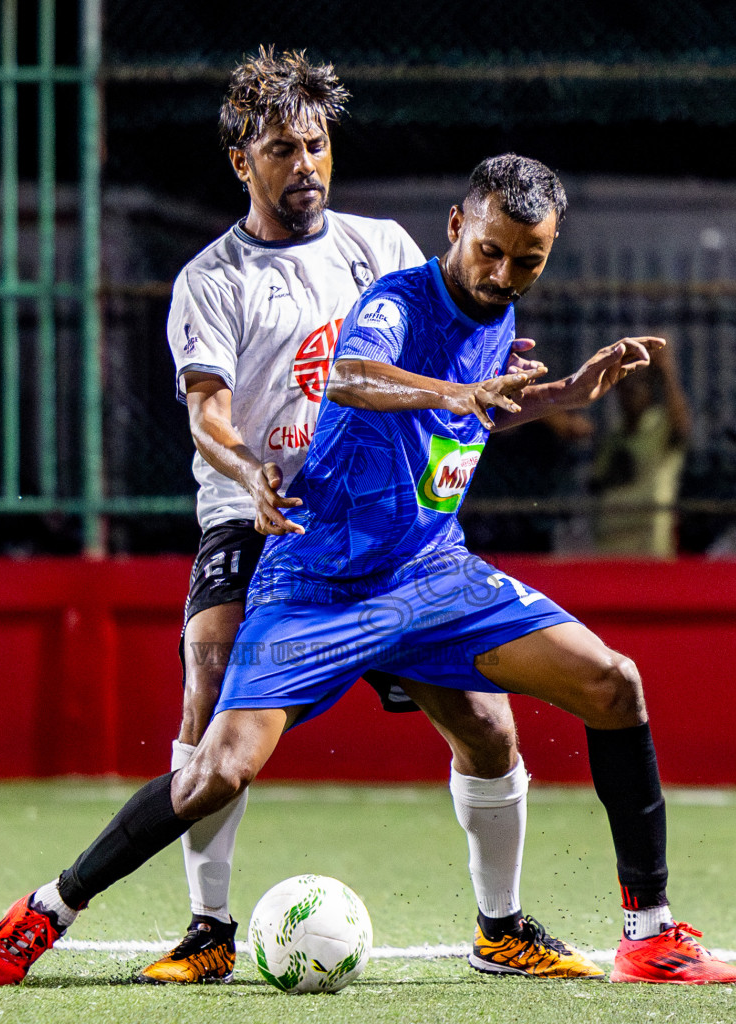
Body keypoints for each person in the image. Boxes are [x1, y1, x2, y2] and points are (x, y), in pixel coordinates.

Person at [0, 155, 736, 987]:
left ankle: (642, 933)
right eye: (491, 250)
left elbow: (480, 405)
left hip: (429, 574)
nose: (504, 273)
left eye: (529, 260)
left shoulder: (497, 308)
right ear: (457, 227)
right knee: (217, 768)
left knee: (610, 687)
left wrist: (561, 395)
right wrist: (447, 394)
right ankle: (52, 906)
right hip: (317, 580)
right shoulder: (397, 301)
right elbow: (348, 377)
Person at [120, 49, 594, 985]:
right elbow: (208, 416)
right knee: (208, 677)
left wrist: (493, 372)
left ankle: (500, 927)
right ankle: (208, 928)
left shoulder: (377, 246)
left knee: (482, 722)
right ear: (240, 161)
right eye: (283, 149)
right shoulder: (211, 281)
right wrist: (251, 470)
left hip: (382, 536)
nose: (306, 165)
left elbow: (442, 332)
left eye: (318, 144)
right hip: (259, 515)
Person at [589, 340, 692, 557]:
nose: (631, 392)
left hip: (649, 542)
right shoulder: (614, 437)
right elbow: (600, 481)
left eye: (639, 385)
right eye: (626, 387)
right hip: (610, 543)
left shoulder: (660, 426)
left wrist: (665, 370)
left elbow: (681, 426)